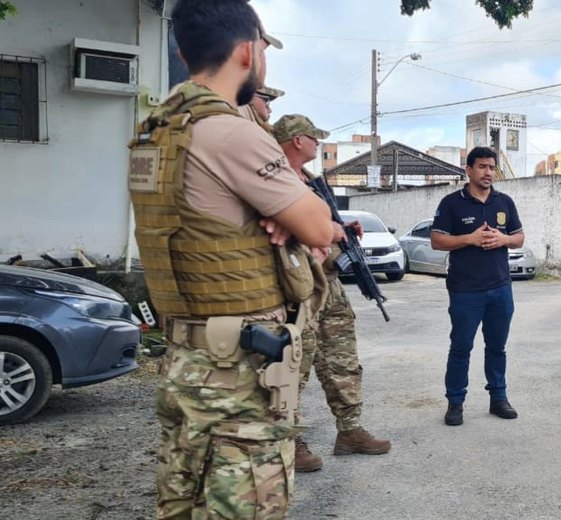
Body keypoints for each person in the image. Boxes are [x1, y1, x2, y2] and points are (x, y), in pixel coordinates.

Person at [128, 1, 333, 518]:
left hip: (185, 360)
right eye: (264, 50)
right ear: (248, 51)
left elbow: (201, 220)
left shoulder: (154, 133)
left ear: (182, 49)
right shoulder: (231, 133)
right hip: (237, 371)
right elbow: (320, 227)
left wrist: (279, 214)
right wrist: (295, 218)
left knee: (182, 500)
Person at [272, 114, 391, 472]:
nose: (317, 144)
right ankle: (288, 441)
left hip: (330, 281)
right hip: (298, 286)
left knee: (342, 357)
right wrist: (328, 232)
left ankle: (350, 431)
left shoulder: (310, 180)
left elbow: (320, 223)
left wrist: (339, 228)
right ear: (296, 141)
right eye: (313, 138)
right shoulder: (274, 178)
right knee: (295, 365)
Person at [430, 146, 524, 426]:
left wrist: (503, 240)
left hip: (500, 288)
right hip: (465, 290)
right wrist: (469, 239)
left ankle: (498, 398)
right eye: (482, 167)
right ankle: (455, 402)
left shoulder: (504, 202)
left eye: (492, 167)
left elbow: (519, 237)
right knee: (461, 347)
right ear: (468, 170)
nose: (488, 172)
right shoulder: (451, 203)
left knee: (497, 347)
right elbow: (436, 240)